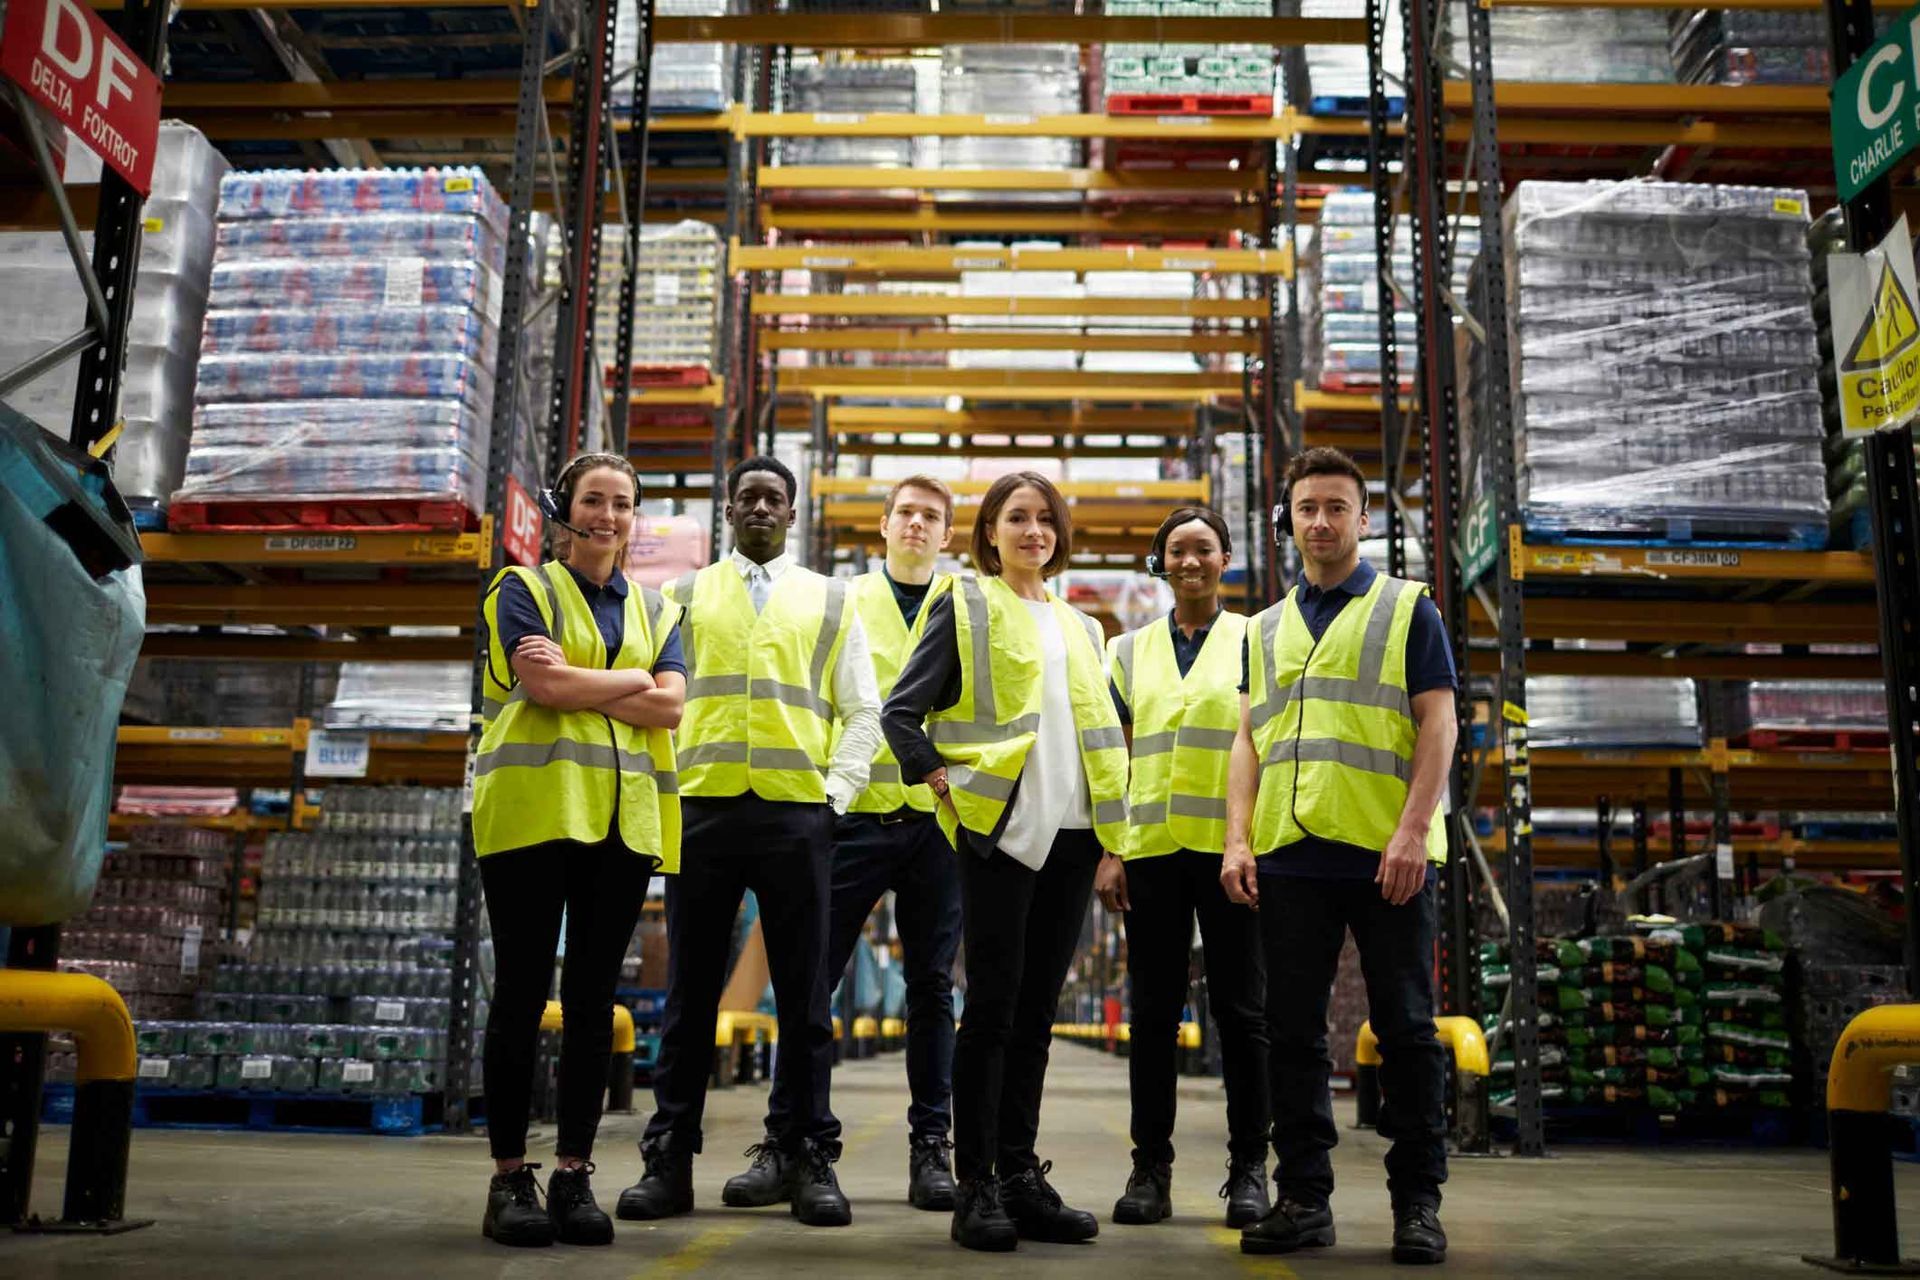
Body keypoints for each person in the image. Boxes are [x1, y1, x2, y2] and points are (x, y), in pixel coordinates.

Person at [617, 454, 879, 1229]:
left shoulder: (829, 601)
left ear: (791, 515)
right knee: (690, 996)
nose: (760, 508)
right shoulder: (685, 596)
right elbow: (651, 696)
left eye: (774, 498)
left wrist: (836, 798)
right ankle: (668, 1161)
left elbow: (862, 710)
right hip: (704, 811)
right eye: (747, 498)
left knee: (805, 1000)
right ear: (728, 510)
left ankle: (810, 1156)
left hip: (799, 816)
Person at [1221, 446, 1457, 1266]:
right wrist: (1238, 838)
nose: (1320, 521)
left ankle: (1418, 1205)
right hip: (1290, 859)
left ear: (1364, 519)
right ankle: (1303, 1199)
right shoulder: (1262, 628)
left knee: (1406, 1033)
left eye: (1335, 507)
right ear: (1289, 524)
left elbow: (1439, 724)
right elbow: (1249, 742)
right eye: (1306, 509)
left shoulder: (1406, 609)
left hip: (1384, 857)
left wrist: (1410, 831)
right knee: (1290, 1035)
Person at [884, 470, 1130, 1253]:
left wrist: (1115, 839)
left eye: (1045, 519)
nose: (1033, 531)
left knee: (1035, 1017)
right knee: (990, 1010)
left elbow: (1102, 734)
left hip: (1074, 836)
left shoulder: (1085, 627)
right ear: (989, 532)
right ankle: (976, 1183)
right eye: (1016, 518)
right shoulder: (965, 602)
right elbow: (901, 710)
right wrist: (937, 777)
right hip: (999, 832)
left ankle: (1021, 1175)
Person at [472, 452, 687, 1249]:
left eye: (622, 503)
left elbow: (670, 711)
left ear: (635, 518)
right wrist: (633, 680)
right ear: (565, 509)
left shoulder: (662, 609)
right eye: (594, 500)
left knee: (594, 1003)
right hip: (532, 815)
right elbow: (545, 692)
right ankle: (507, 1179)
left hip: (623, 825)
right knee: (523, 994)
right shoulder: (521, 589)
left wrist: (601, 679)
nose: (607, 515)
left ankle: (571, 1173)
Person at [757, 474, 965, 1211]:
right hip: (851, 820)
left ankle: (932, 1148)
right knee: (809, 983)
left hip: (941, 824)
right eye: (905, 512)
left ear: (949, 536)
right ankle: (788, 1142)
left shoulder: (967, 607)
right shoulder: (841, 600)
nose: (916, 524)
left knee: (934, 989)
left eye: (931, 516)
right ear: (883, 526)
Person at [1098, 506, 1271, 1230]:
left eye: (1204, 549)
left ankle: (1249, 1169)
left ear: (1226, 558)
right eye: (1177, 551)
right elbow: (1112, 755)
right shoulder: (1128, 652)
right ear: (1159, 564)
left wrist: (1253, 844)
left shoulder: (1257, 641)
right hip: (1152, 854)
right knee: (1152, 1017)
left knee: (1243, 1013)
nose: (1191, 561)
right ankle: (1150, 1169)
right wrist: (1111, 849)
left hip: (1233, 853)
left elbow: (1265, 741)